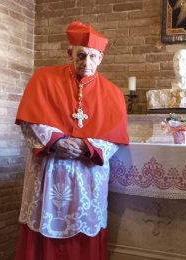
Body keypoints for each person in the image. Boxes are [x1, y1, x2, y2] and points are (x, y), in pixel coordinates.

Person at [14, 21, 129, 260]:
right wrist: (55, 141)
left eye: (93, 57)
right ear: (70, 53)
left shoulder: (113, 92)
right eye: (81, 55)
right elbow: (30, 120)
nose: (87, 63)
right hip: (48, 169)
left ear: (101, 58)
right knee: (43, 226)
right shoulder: (43, 78)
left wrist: (87, 146)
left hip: (88, 175)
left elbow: (115, 137)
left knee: (83, 226)